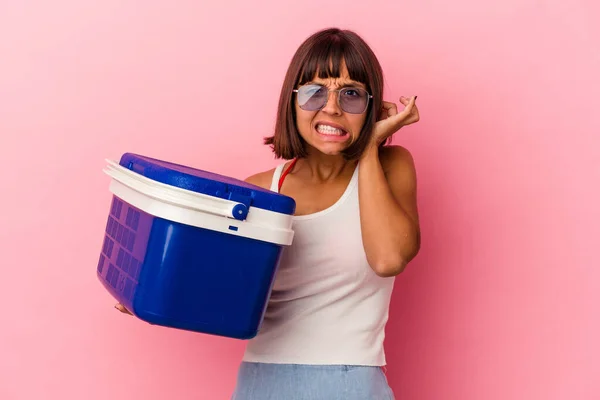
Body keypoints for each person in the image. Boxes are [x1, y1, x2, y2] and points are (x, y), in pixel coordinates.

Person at [116, 27, 421, 399]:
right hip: (262, 382)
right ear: (292, 102)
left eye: (352, 94)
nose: (332, 108)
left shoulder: (391, 167)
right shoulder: (260, 191)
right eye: (314, 92)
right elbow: (228, 291)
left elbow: (388, 258)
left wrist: (371, 145)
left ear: (372, 107)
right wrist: (154, 290)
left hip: (351, 382)